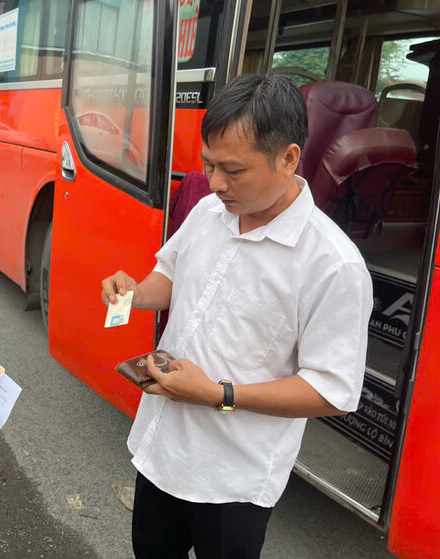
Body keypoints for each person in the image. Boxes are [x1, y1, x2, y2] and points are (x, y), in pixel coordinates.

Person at [101, 74, 372, 558]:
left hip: (232, 479)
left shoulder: (333, 264)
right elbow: (172, 276)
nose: (216, 183)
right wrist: (133, 294)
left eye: (233, 170)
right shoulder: (209, 211)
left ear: (288, 158)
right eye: (209, 165)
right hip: (161, 447)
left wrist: (218, 395)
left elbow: (332, 390)